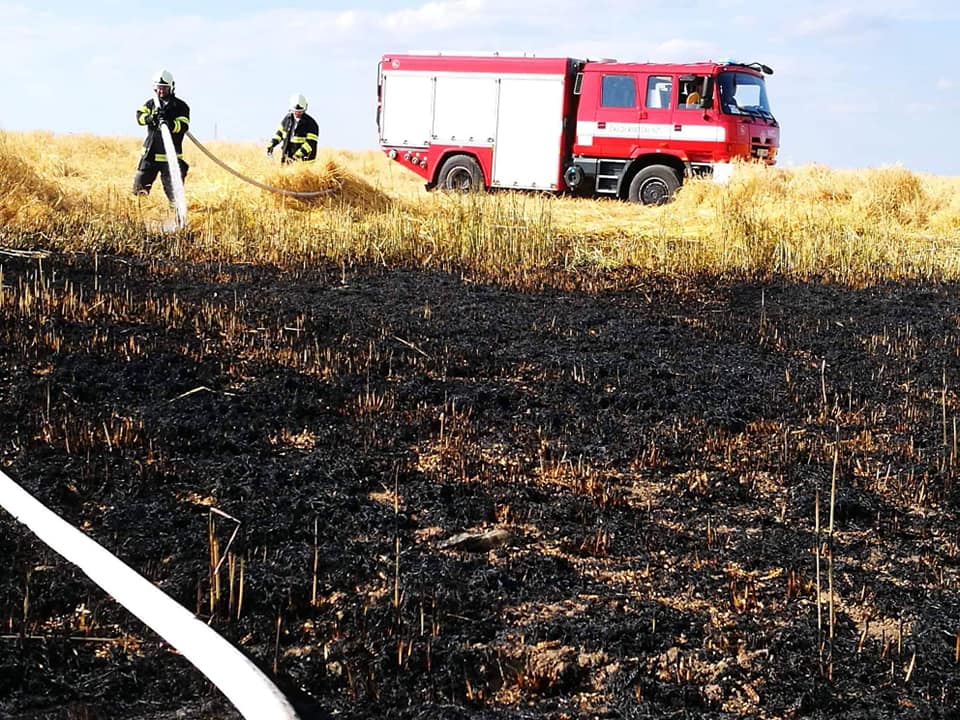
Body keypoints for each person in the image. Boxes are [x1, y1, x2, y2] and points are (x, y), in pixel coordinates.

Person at [133, 69, 191, 201]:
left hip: (171, 158)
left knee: (174, 194)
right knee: (139, 189)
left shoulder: (180, 106)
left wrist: (169, 123)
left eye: (164, 88)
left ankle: (177, 218)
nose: (161, 91)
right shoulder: (151, 104)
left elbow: (183, 125)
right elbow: (139, 117)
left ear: (171, 87)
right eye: (159, 88)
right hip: (150, 156)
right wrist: (150, 118)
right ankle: (138, 215)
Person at [266, 94, 319, 163]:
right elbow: (280, 133)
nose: (298, 113)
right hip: (287, 158)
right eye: (295, 111)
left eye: (300, 111)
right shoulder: (287, 119)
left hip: (305, 163)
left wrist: (297, 156)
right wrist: (272, 144)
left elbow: (310, 144)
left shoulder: (311, 124)